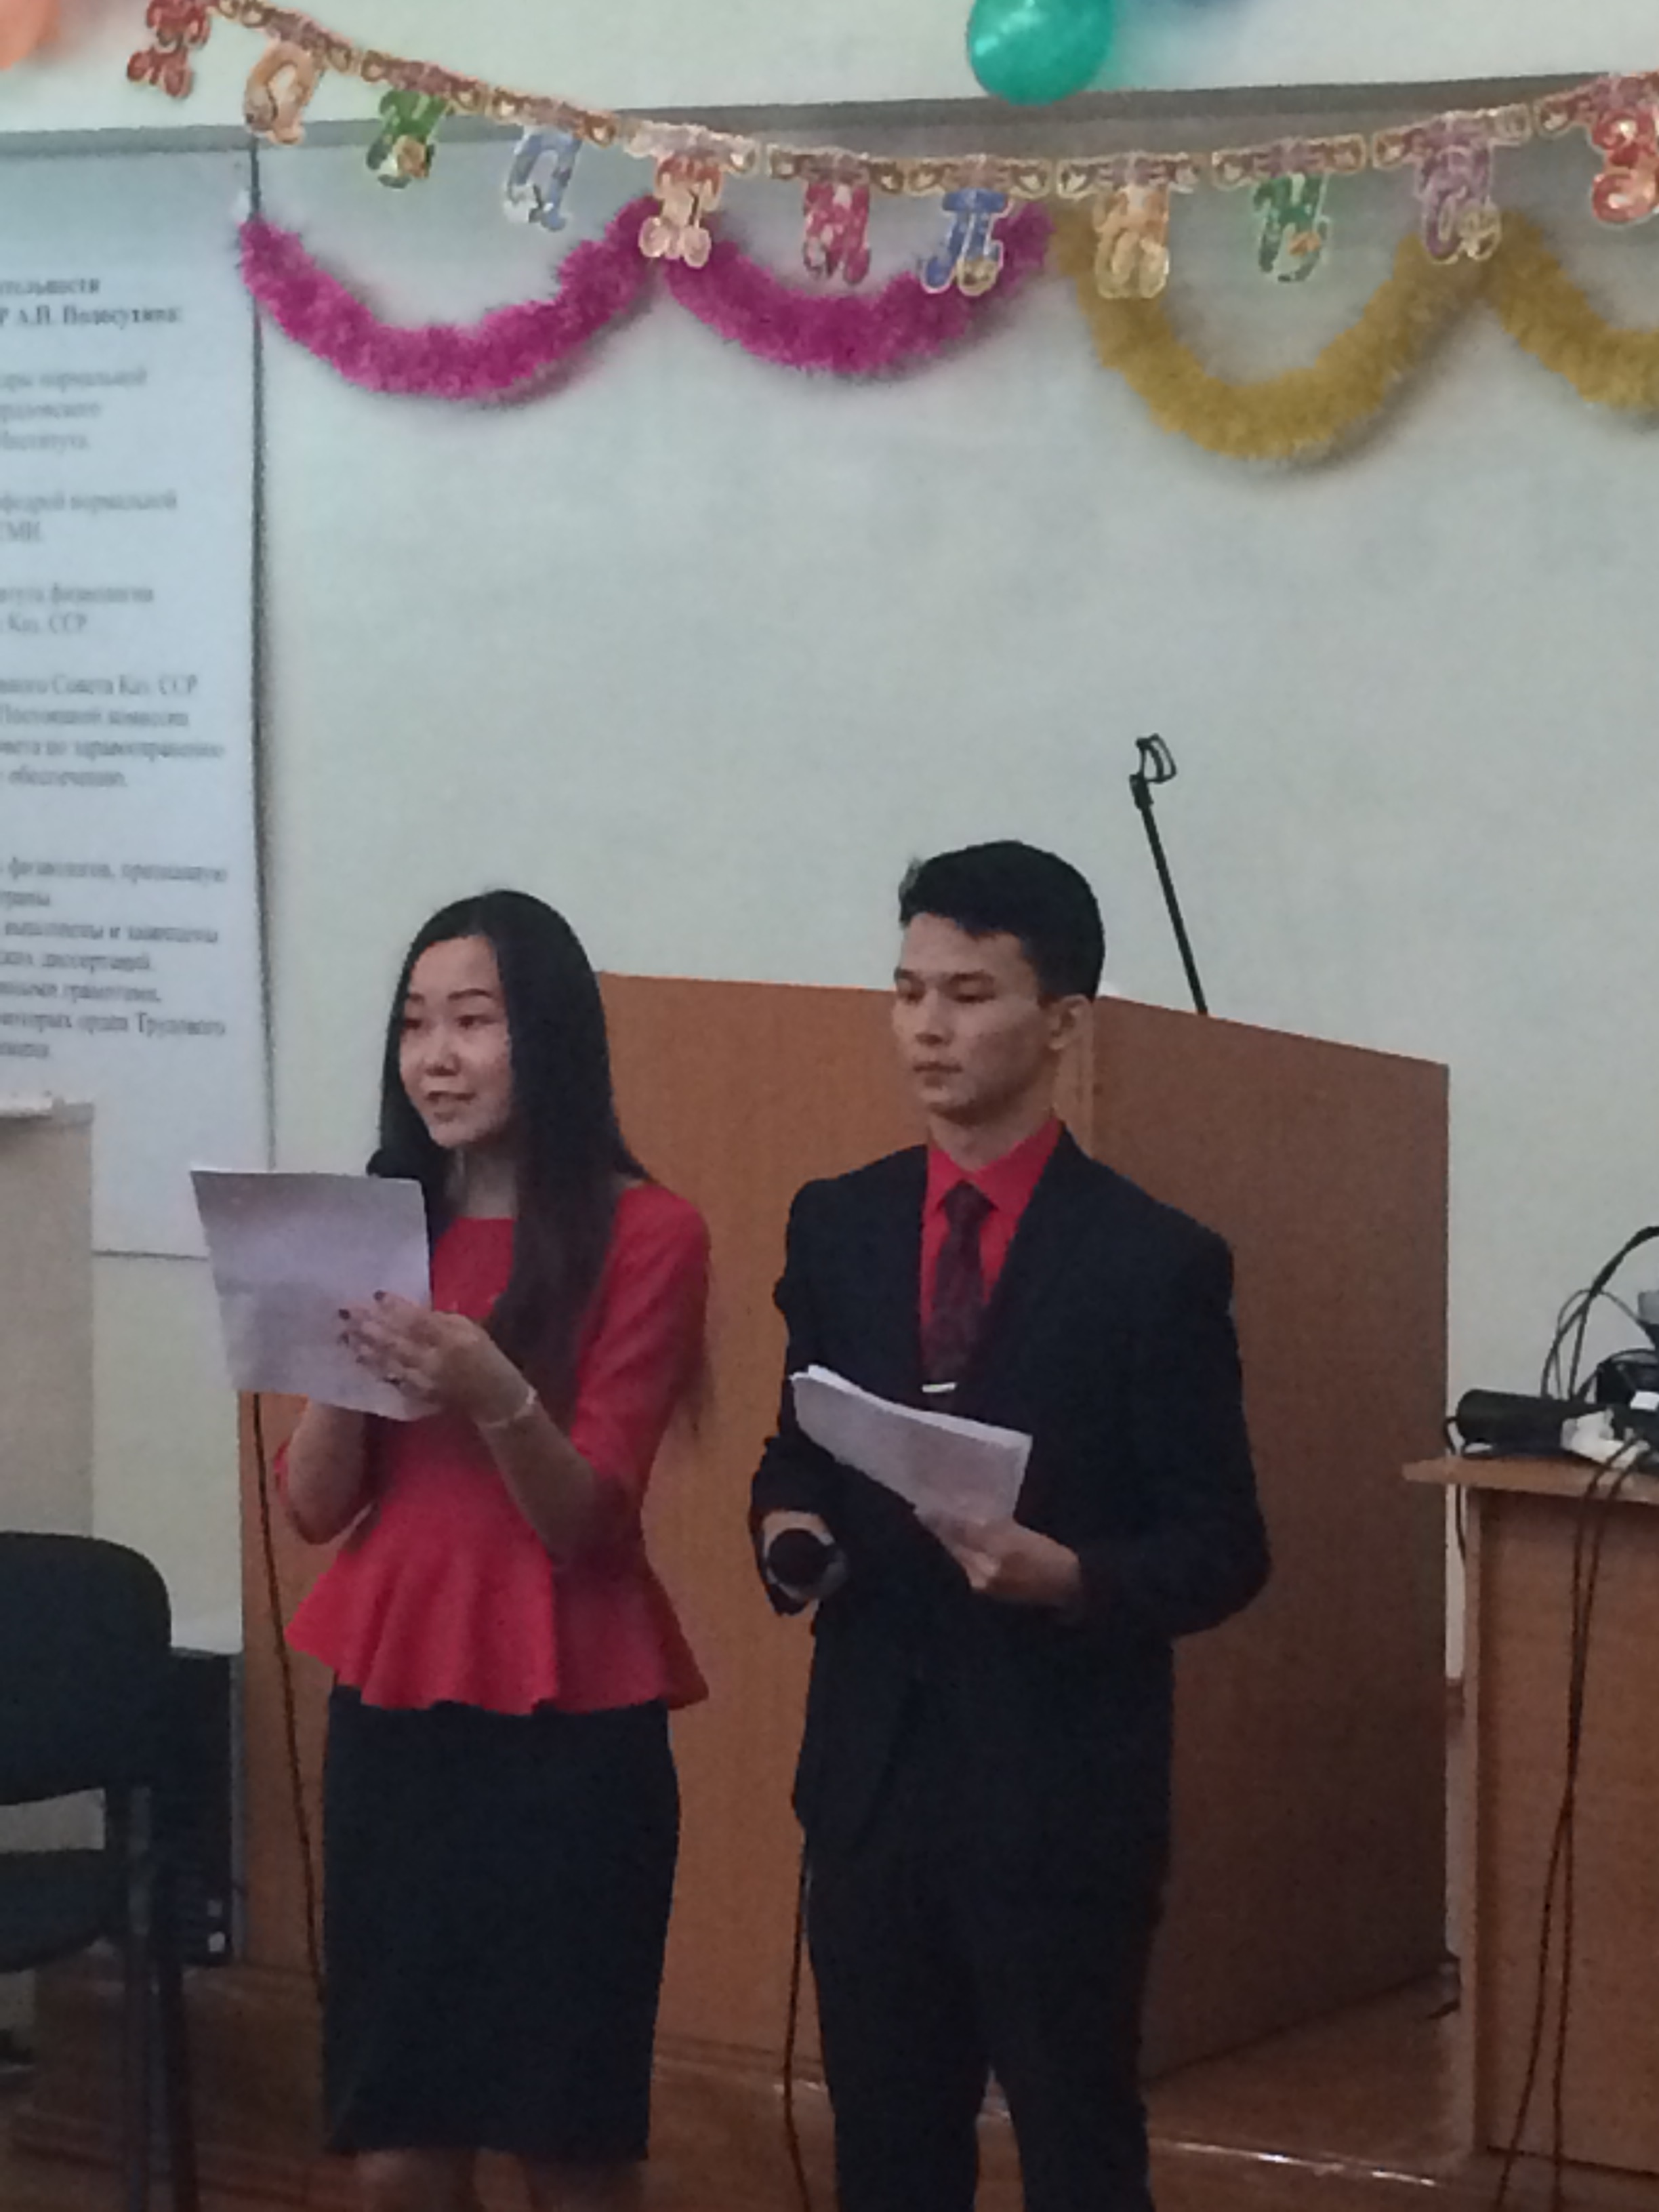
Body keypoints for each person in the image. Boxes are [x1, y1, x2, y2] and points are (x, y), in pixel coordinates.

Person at [750, 841, 1269, 2212]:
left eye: (970, 994)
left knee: (1078, 2155)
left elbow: (1225, 1544)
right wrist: (791, 1530)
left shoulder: (1153, 1262)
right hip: (874, 1779)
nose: (928, 1026)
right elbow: (797, 1446)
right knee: (888, 2160)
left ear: (1063, 1022)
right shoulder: (840, 1223)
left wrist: (1074, 1576)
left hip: (1058, 1793)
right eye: (908, 991)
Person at [280, 890, 708, 2212]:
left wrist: (492, 1388)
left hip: (572, 1724)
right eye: (416, 1025)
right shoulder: (379, 1222)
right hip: (395, 1707)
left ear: (552, 1037)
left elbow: (589, 1520)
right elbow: (314, 1509)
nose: (438, 1058)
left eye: (473, 1021)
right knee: (399, 2140)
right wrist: (335, 1359)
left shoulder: (650, 1231)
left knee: (567, 2140)